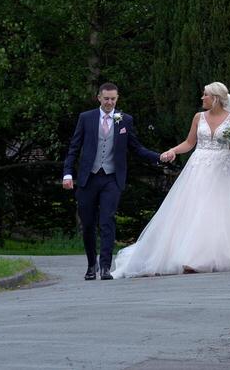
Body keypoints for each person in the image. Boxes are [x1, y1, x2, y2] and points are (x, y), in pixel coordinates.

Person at [109, 81, 230, 278]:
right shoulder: (198, 117)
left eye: (205, 95)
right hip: (198, 166)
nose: (202, 98)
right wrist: (173, 151)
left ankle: (216, 256)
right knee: (194, 208)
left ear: (215, 98)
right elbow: (190, 142)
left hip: (222, 168)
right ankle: (190, 257)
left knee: (217, 209)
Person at [62, 81, 164, 280]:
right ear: (99, 97)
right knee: (88, 223)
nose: (109, 102)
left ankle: (106, 267)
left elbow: (136, 148)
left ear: (117, 99)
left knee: (107, 220)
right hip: (88, 178)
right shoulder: (86, 118)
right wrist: (67, 173)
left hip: (111, 178)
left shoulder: (124, 120)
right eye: (106, 98)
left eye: (113, 99)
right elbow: (74, 147)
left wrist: (159, 157)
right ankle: (92, 264)